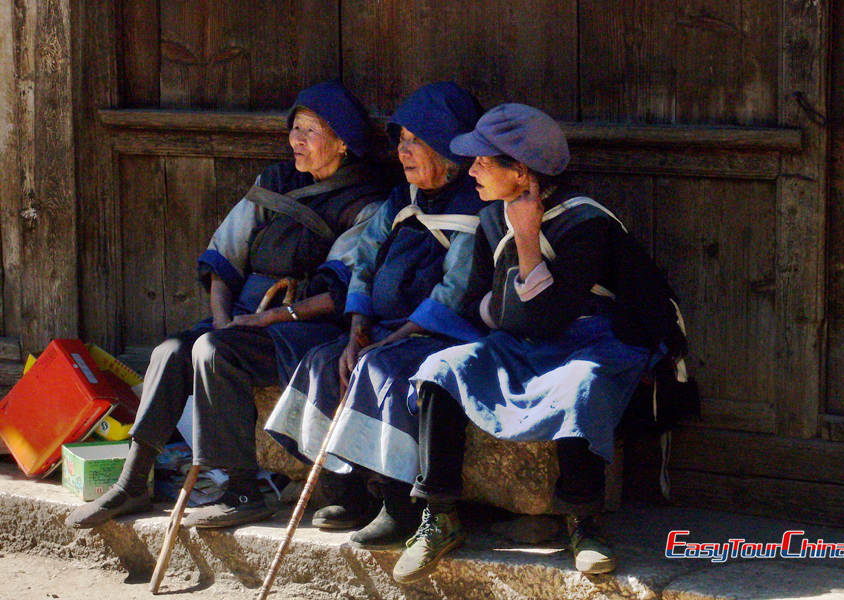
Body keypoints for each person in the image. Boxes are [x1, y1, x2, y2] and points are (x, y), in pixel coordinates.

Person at [65, 80, 388, 530]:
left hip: (302, 326)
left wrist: (267, 318)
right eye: (294, 128)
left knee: (214, 353)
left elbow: (340, 292)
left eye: (310, 131)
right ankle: (133, 480)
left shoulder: (366, 203)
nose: (296, 140)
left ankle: (242, 491)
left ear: (342, 143)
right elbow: (224, 258)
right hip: (242, 319)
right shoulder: (274, 182)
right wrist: (223, 319)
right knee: (171, 352)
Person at [391, 103, 689, 582]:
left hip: (589, 343)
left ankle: (584, 523)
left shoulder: (585, 224)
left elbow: (551, 316)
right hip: (521, 342)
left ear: (522, 171)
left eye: (483, 162)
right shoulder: (491, 219)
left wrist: (528, 238)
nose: (471, 171)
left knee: (580, 387)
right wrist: (499, 310)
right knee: (440, 371)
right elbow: (477, 302)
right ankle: (439, 515)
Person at [265, 82, 483, 548]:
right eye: (401, 139)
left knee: (382, 370)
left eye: (416, 141)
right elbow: (364, 261)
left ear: (448, 150)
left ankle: (398, 505)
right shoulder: (401, 198)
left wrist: (386, 342)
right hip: (384, 330)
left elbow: (455, 290)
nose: (403, 151)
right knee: (323, 361)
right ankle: (345, 491)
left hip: (438, 333)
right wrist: (356, 330)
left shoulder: (474, 206)